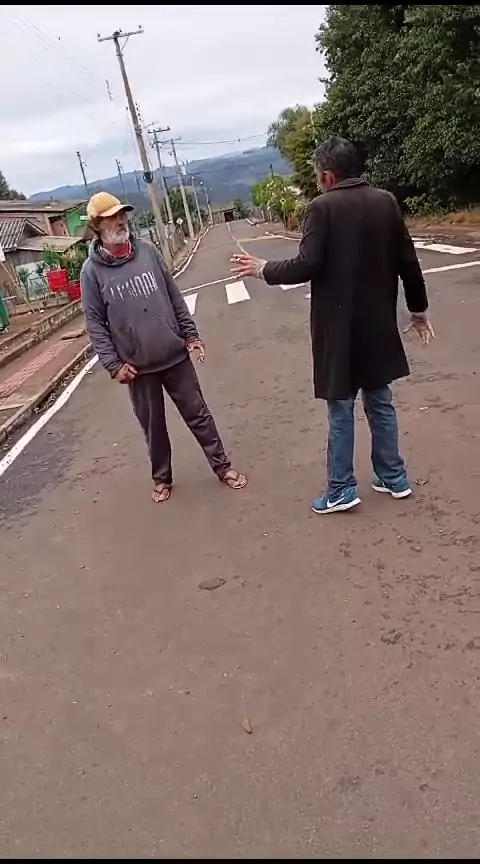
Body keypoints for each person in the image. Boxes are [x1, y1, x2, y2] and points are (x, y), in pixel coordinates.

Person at [232, 136, 433, 514]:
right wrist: (418, 311)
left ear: (327, 176)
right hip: (378, 327)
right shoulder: (385, 202)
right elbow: (409, 261)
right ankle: (393, 476)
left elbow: (306, 264)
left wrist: (262, 269)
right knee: (380, 401)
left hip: (338, 332)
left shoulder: (321, 208)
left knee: (341, 408)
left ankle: (341, 488)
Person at [81, 191, 247, 503]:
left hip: (174, 355)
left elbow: (173, 295)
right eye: (112, 217)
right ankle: (162, 478)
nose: (121, 221)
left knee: (198, 415)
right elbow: (95, 323)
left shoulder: (147, 251)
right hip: (138, 368)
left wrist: (191, 335)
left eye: (122, 215)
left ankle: (223, 467)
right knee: (153, 427)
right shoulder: (91, 273)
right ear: (97, 226)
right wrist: (113, 365)